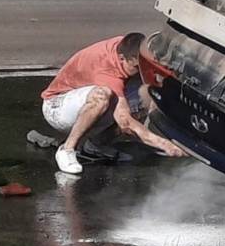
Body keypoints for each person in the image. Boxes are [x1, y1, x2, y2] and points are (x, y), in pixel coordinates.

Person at [41, 33, 185, 174]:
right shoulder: (107, 70)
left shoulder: (127, 47)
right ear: (122, 58)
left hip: (83, 101)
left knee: (146, 94)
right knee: (102, 96)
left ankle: (94, 147)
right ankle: (67, 149)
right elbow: (125, 122)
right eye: (136, 67)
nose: (140, 70)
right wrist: (163, 144)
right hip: (57, 108)